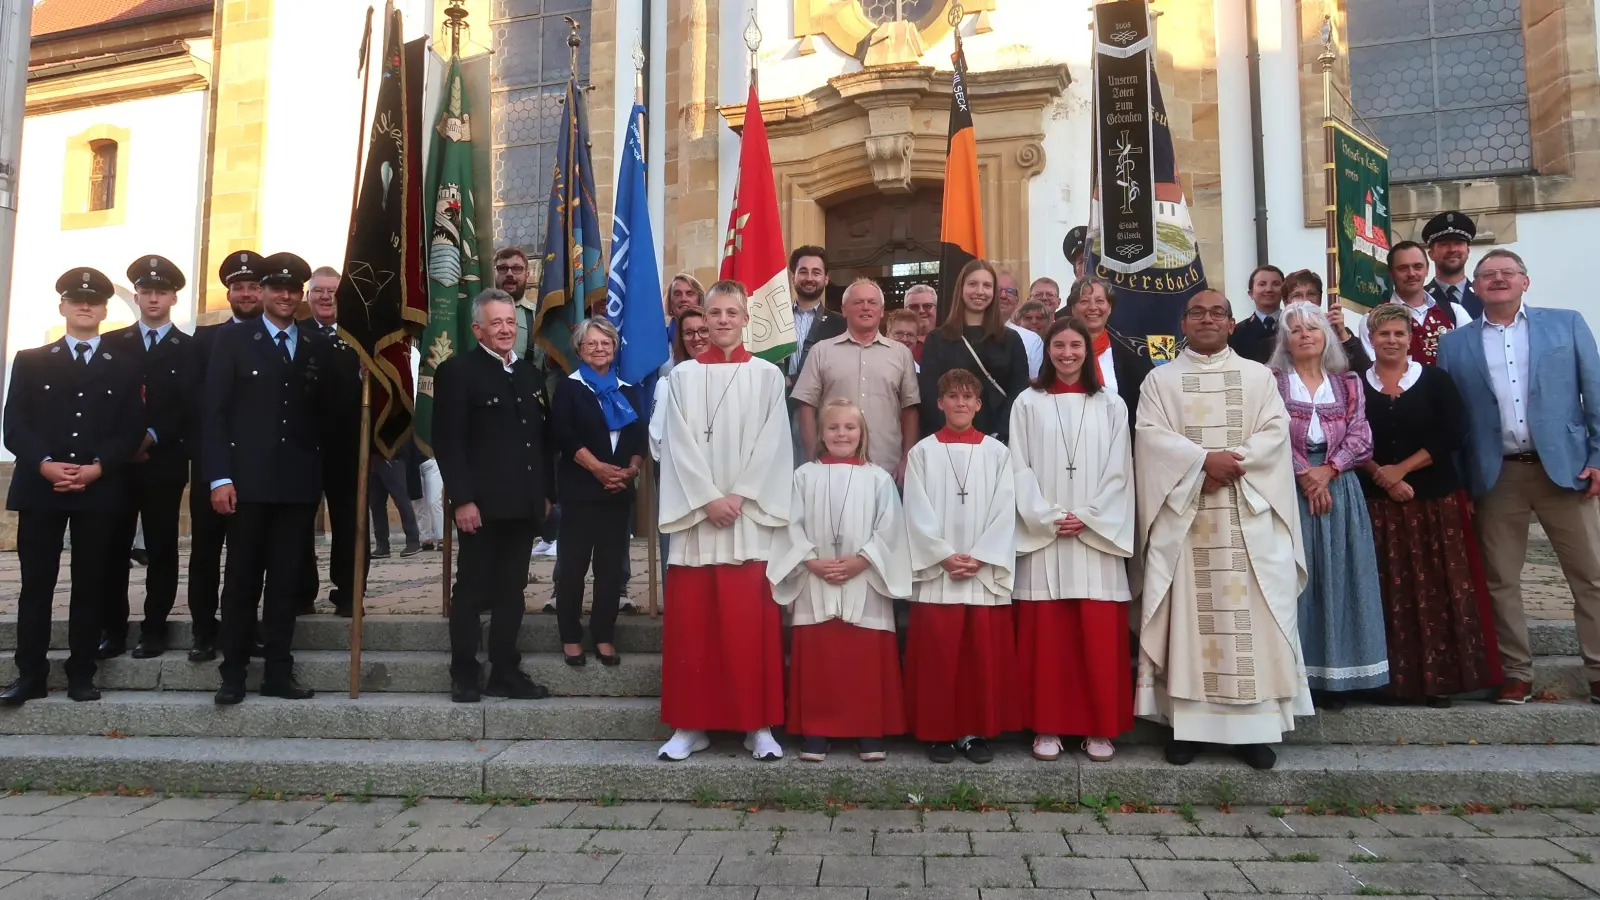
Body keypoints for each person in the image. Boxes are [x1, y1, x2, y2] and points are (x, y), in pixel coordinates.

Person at [1134, 289, 1312, 771]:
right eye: (1197, 313)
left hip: (1246, 518)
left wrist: (1227, 465)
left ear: (1232, 323)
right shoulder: (1160, 381)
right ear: (1183, 323)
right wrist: (1200, 463)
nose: (1207, 319)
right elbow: (1150, 438)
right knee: (1189, 625)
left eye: (1217, 312)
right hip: (1187, 524)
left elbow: (1274, 434)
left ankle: (1253, 732)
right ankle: (1187, 727)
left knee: (1252, 622)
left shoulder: (1258, 377)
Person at [1438, 249, 1600, 706]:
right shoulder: (1455, 344)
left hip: (1565, 470)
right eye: (1487, 275)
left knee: (1590, 576)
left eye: (1507, 272)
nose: (1498, 279)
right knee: (1500, 581)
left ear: (1525, 281)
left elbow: (1595, 393)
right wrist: (1461, 483)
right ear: (1475, 287)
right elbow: (1453, 420)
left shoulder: (1566, 324)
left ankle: (1598, 670)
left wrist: (1598, 457)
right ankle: (1515, 673)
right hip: (1496, 475)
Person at [655, 280, 794, 762]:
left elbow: (774, 442)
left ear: (745, 318)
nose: (723, 321)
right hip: (698, 521)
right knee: (694, 627)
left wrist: (738, 496)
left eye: (732, 313)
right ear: (703, 318)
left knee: (748, 628)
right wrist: (708, 499)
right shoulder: (683, 376)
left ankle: (758, 725)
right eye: (715, 313)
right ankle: (690, 725)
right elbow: (676, 444)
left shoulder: (767, 375)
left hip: (748, 518)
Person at [1, 267, 145, 705]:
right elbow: (15, 424)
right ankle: (30, 674)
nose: (85, 306)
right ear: (62, 306)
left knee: (90, 583)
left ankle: (82, 672)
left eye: (94, 300)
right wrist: (44, 464)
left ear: (104, 310)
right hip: (40, 487)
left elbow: (131, 428)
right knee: (36, 585)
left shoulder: (124, 367)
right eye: (77, 299)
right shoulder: (31, 360)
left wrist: (98, 467)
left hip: (98, 489)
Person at [203, 252, 342, 705]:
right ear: (262, 292)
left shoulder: (316, 344)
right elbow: (215, 413)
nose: (285, 296)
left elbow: (328, 413)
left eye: (292, 289)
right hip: (247, 483)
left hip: (298, 484)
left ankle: (278, 672)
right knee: (241, 581)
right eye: (277, 288)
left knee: (284, 584)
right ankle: (233, 672)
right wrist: (219, 477)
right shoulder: (234, 340)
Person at [1358, 303, 1501, 706]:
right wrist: (1382, 476)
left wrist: (1402, 470)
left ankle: (1437, 680)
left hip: (1433, 502)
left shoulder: (1435, 380)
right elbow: (1348, 432)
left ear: (1411, 338)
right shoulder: (1354, 382)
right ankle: (1386, 682)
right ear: (1371, 339)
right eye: (1383, 333)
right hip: (1377, 503)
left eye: (1399, 333)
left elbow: (1452, 432)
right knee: (1385, 591)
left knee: (1435, 588)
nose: (1391, 340)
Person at [1009, 318, 1135, 762]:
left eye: (1075, 345)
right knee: (1047, 640)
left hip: (1095, 536)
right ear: (1048, 351)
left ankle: (1099, 727)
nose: (1067, 353)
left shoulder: (1111, 404)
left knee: (1097, 638)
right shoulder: (1028, 402)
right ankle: (1046, 726)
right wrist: (1045, 516)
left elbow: (1121, 469)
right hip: (1044, 536)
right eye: (1059, 345)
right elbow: (1018, 465)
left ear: (1088, 350)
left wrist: (1089, 517)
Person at [767, 398, 911, 762]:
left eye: (849, 427)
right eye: (833, 427)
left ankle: (868, 729)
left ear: (862, 433)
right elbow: (789, 526)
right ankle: (816, 730)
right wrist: (811, 562)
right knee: (821, 658)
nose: (841, 434)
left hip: (866, 579)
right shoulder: (803, 476)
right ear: (820, 433)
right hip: (815, 577)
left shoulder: (878, 478)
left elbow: (891, 530)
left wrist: (862, 561)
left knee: (863, 659)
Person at [434, 289, 555, 703]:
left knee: (511, 591)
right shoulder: (458, 372)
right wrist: (462, 500)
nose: (506, 330)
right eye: (496, 323)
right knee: (471, 590)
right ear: (477, 329)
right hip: (480, 506)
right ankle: (464, 672)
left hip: (522, 504)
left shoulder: (529, 374)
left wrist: (545, 493)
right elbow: (448, 442)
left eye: (510, 322)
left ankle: (504, 670)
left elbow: (540, 442)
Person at [1269, 302, 1388, 707]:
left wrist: (1328, 471)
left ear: (1327, 337)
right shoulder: (1272, 382)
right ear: (1285, 340)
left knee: (1342, 576)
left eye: (1313, 328)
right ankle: (1302, 678)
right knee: (1297, 579)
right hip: (1289, 487)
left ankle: (1343, 677)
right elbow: (1267, 432)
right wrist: (1304, 473)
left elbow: (1361, 437)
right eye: (1296, 329)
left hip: (1339, 488)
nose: (1305, 335)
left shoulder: (1348, 383)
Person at [903, 369, 1019, 764]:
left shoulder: (997, 453)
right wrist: (942, 555)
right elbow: (915, 509)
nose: (961, 403)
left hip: (981, 572)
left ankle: (973, 732)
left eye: (968, 397)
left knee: (977, 658)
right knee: (938, 657)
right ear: (940, 403)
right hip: (939, 572)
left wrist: (982, 555)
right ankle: (937, 732)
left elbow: (1005, 509)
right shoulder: (922, 453)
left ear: (979, 404)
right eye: (953, 396)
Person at [101, 255, 195, 659]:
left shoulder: (189, 349)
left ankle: (155, 628)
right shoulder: (112, 343)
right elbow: (102, 402)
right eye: (147, 291)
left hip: (164, 461)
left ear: (173, 298)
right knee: (113, 546)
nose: (154, 298)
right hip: (117, 465)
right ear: (136, 296)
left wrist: (151, 436)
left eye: (162, 292)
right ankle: (112, 629)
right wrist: (124, 444)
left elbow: (189, 404)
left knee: (160, 548)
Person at [186, 250, 266, 663]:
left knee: (247, 556)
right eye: (239, 287)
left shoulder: (278, 338)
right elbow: (196, 404)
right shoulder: (204, 341)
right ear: (229, 293)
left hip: (256, 467)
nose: (247, 293)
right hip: (211, 464)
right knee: (205, 553)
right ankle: (203, 630)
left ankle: (243, 629)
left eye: (254, 286)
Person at [552, 317, 646, 667]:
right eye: (591, 343)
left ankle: (604, 634)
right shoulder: (569, 388)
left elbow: (638, 438)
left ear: (615, 347)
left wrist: (631, 470)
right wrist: (597, 469)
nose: (599, 349)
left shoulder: (628, 389)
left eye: (606, 342)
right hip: (580, 492)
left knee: (609, 570)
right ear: (579, 350)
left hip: (617, 493)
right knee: (573, 568)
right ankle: (570, 636)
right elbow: (564, 435)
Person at [793, 279, 919, 479]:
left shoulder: (901, 354)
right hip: (831, 467)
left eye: (872, 302)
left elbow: (909, 410)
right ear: (844, 310)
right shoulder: (821, 351)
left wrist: (907, 459)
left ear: (881, 310)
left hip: (887, 467)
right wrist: (812, 457)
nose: (866, 307)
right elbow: (806, 406)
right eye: (858, 302)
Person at [295, 265, 364, 615]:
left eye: (332, 291)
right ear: (308, 296)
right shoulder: (295, 334)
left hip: (348, 445)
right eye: (318, 291)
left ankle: (350, 592)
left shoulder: (360, 337)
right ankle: (301, 592)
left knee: (349, 521)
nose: (325, 297)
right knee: (298, 522)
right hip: (302, 445)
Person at [918, 259, 1030, 442]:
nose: (980, 291)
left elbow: (1018, 390)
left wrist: (999, 433)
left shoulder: (1010, 340)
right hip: (949, 439)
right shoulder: (937, 339)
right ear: (961, 289)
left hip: (997, 440)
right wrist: (953, 431)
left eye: (987, 285)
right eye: (972, 284)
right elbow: (930, 393)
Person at [1354, 240, 1471, 366]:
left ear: (1427, 269)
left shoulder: (1454, 312)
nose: (1411, 274)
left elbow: (1471, 359)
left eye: (1417, 267)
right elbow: (1377, 370)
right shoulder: (1372, 320)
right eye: (1403, 268)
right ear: (1391, 273)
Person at [1059, 277, 1151, 433]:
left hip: (1117, 438)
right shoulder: (1060, 353)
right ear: (1073, 308)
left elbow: (1138, 410)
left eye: (1100, 301)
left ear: (1110, 308)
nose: (1092, 307)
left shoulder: (1129, 354)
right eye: (1084, 301)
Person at [1277, 270, 1371, 373]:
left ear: (1320, 298)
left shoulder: (1340, 332)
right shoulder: (1274, 336)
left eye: (1311, 294)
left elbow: (1365, 373)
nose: (1305, 300)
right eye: (1297, 295)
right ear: (1285, 302)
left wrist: (1342, 334)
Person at [787, 246, 844, 380]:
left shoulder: (841, 324)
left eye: (816, 273)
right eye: (803, 272)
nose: (809, 278)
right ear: (793, 278)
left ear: (826, 279)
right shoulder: (775, 320)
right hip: (778, 393)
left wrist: (792, 381)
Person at [1423, 211, 1483, 320]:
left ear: (1468, 251)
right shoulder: (1421, 298)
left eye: (1458, 243)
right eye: (1444, 244)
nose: (1452, 249)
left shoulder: (1486, 296)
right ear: (1431, 254)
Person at [1226, 264, 1284, 363]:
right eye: (1262, 284)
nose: (1269, 289)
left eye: (1276, 284)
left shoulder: (1292, 327)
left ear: (1284, 292)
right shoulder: (1236, 333)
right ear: (1251, 293)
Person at [998, 270, 1044, 378]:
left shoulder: (1031, 340)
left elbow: (1034, 382)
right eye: (997, 290)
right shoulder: (971, 333)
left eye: (1010, 291)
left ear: (1017, 300)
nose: (1003, 295)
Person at [664, 273, 706, 348]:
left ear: (700, 300)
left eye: (689, 293)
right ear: (670, 301)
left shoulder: (712, 337)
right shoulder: (660, 340)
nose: (683, 299)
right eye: (677, 294)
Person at [903, 283, 938, 363]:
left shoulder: (950, 341)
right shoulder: (895, 343)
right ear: (905, 311)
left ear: (937, 309)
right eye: (914, 307)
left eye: (927, 306)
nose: (921, 311)